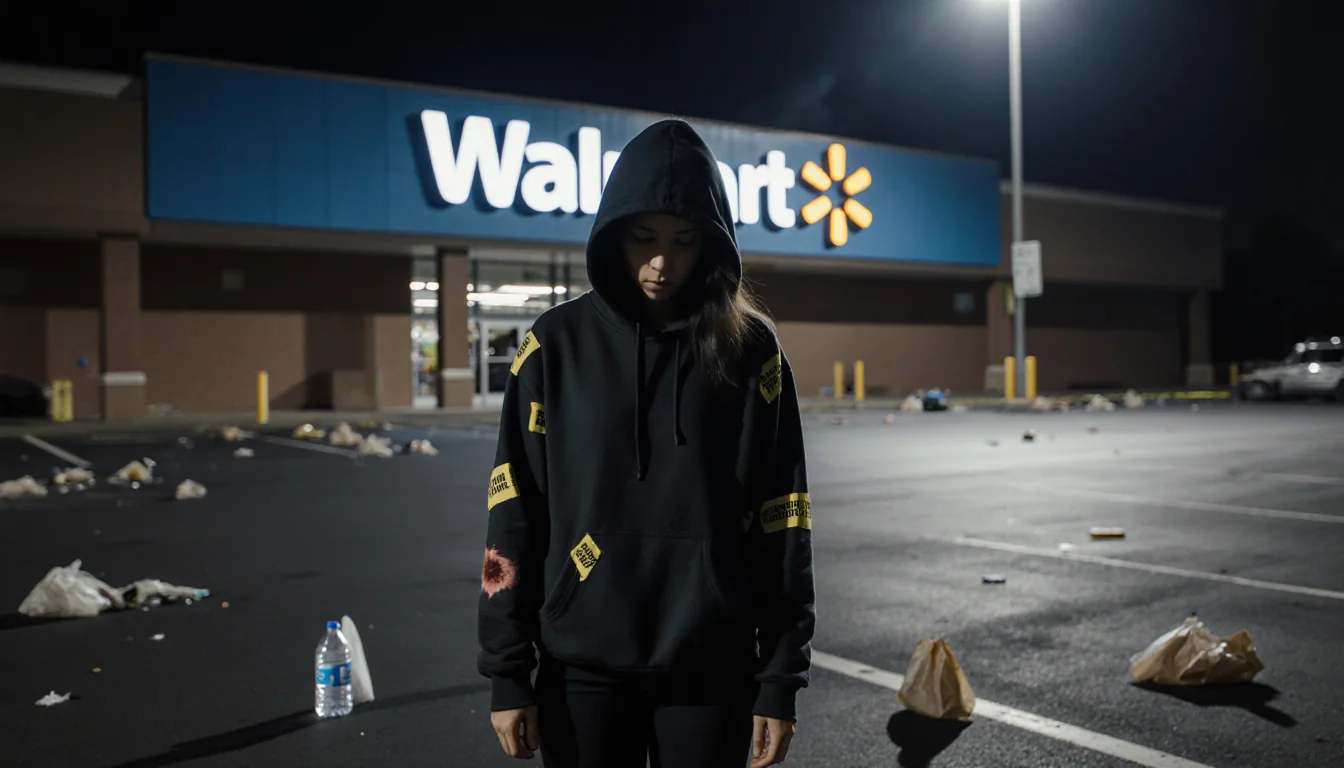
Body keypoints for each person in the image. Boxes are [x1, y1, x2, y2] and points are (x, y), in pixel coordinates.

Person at [478, 118, 816, 768]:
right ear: (612, 232)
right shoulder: (554, 348)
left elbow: (786, 521)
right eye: (643, 238)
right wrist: (507, 670)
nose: (661, 262)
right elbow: (512, 513)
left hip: (711, 670)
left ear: (712, 244)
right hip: (583, 670)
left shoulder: (751, 354)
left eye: (684, 241)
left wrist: (779, 677)